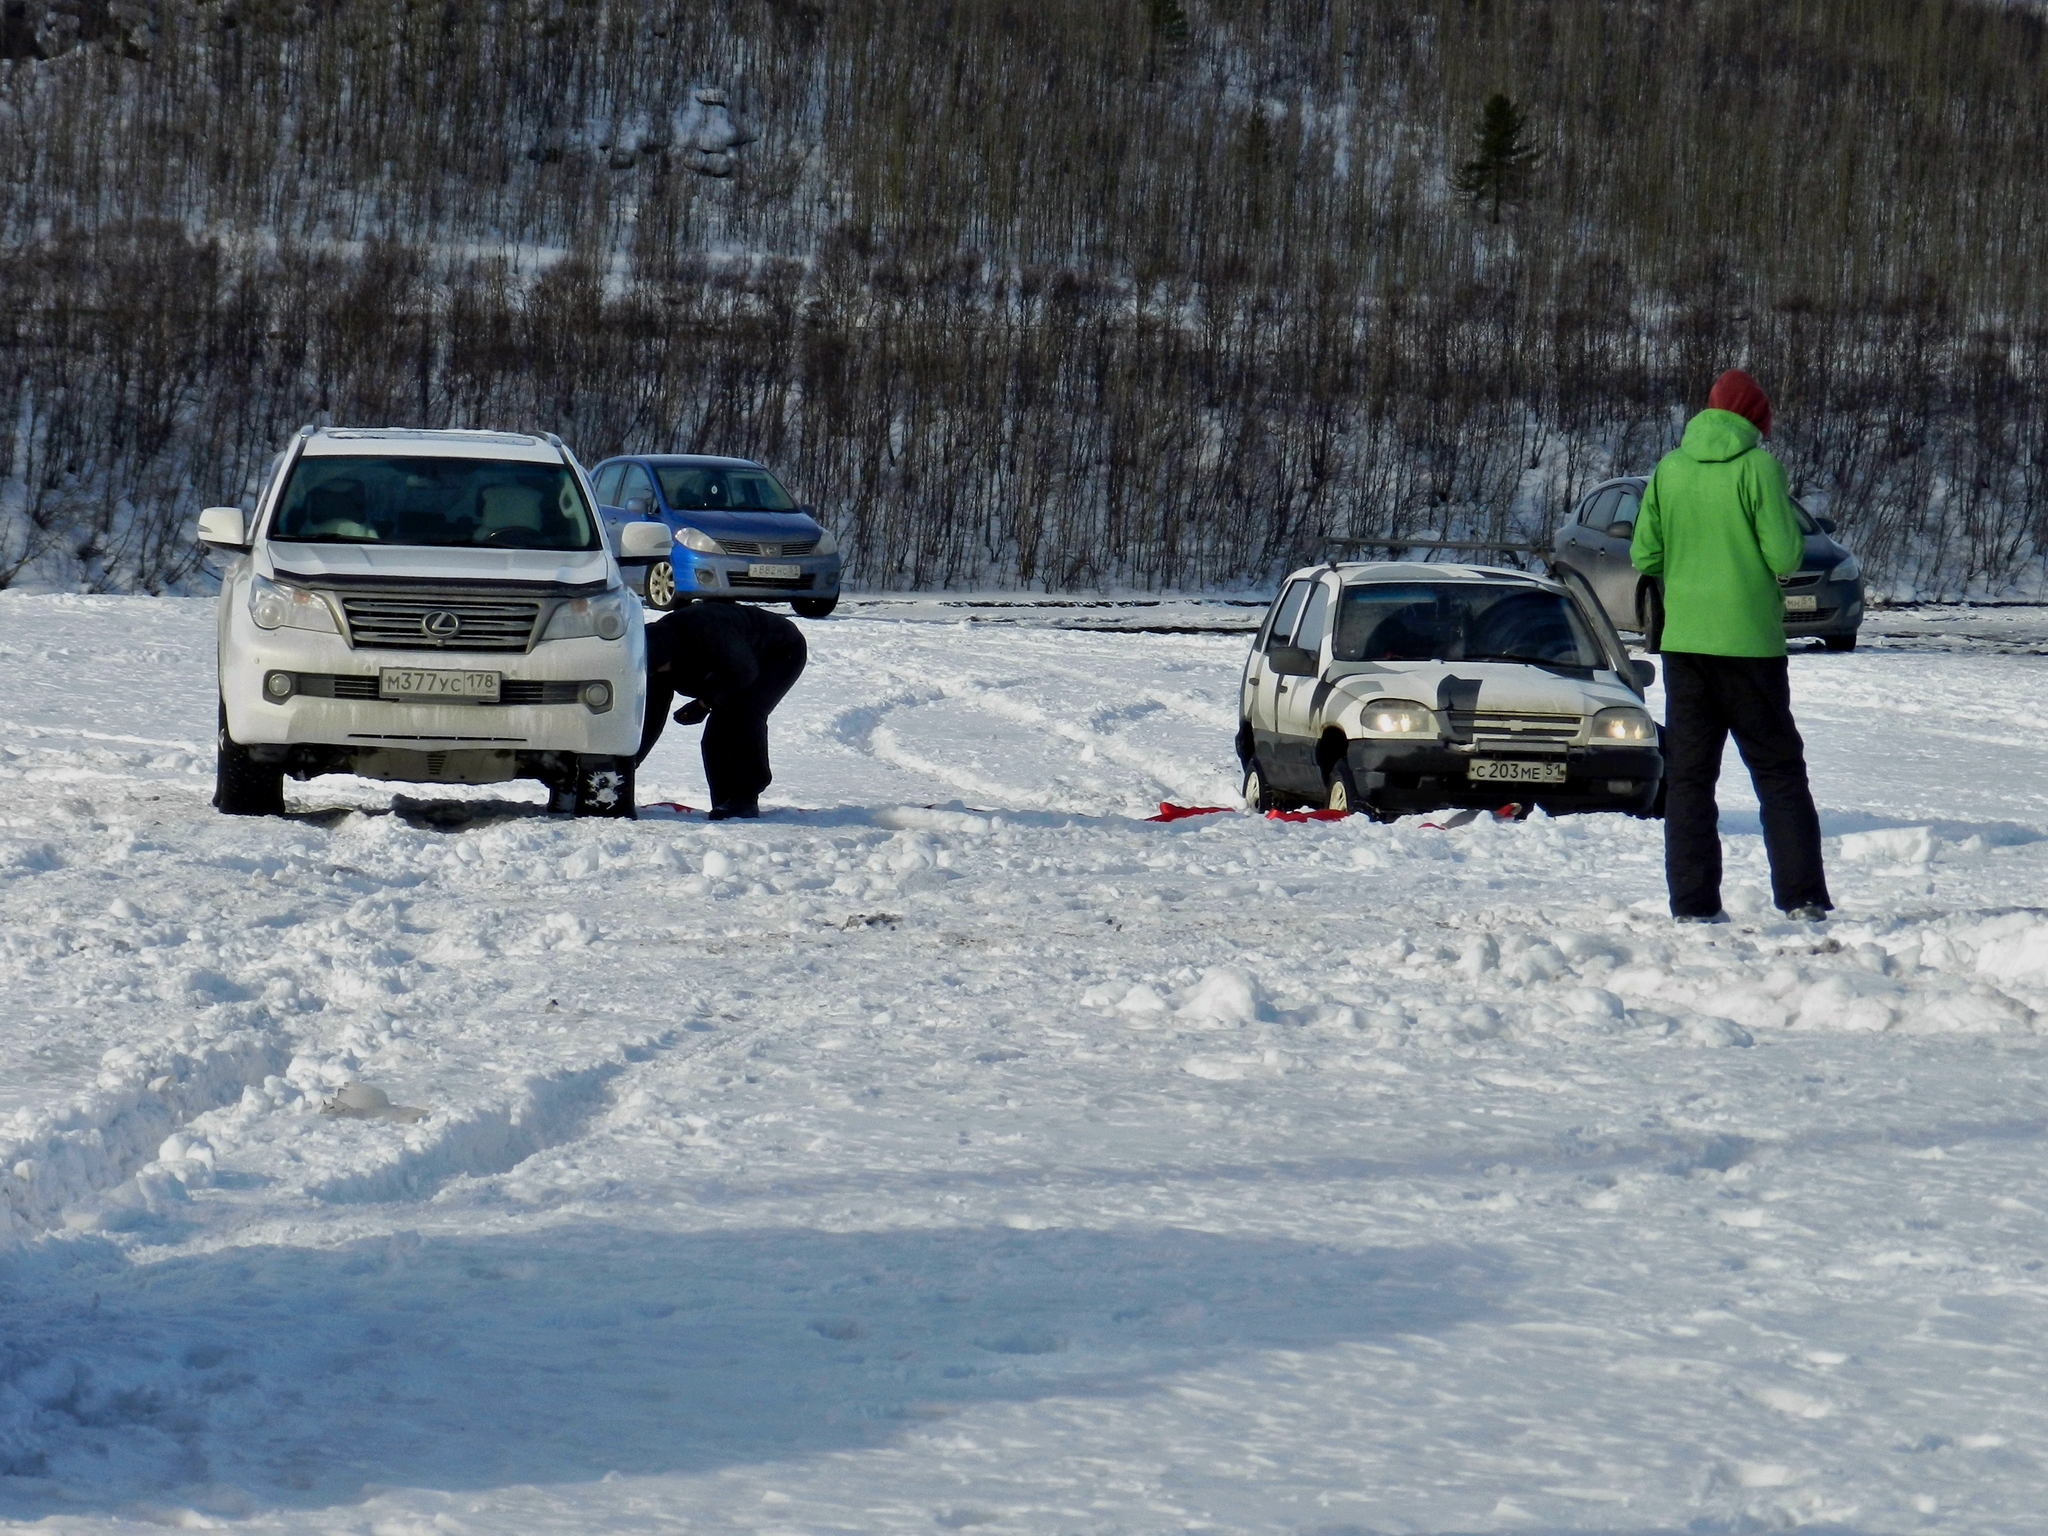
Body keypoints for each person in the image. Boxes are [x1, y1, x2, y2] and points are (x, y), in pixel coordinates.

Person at [1630, 369, 1832, 924]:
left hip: (1686, 646)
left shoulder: (1668, 470)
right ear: (1755, 419)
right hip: (1751, 647)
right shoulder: (1759, 468)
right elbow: (1787, 555)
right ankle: (1802, 898)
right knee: (1778, 773)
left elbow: (1645, 555)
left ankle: (1693, 907)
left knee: (1691, 778)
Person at [638, 602, 809, 820]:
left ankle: (744, 800)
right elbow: (651, 715)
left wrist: (703, 704)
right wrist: (631, 761)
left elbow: (744, 672)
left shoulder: (707, 632)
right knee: (714, 738)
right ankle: (724, 803)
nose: (654, 675)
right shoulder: (654, 652)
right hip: (735, 664)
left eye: (657, 670)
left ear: (672, 657)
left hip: (779, 651)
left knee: (743, 714)